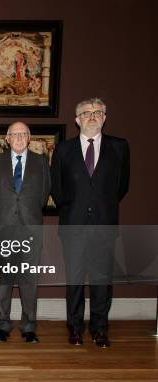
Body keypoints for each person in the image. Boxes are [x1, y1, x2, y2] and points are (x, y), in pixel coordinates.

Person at [51, 98, 129, 348]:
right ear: (77, 120)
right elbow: (58, 188)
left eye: (97, 112)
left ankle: (100, 329)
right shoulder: (63, 149)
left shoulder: (119, 147)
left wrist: (99, 208)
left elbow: (121, 187)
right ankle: (75, 328)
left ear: (104, 118)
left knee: (101, 281)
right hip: (73, 226)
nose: (92, 116)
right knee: (74, 280)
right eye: (86, 113)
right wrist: (76, 209)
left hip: (104, 226)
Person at [0, 122, 50, 344]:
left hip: (31, 228)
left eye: (24, 134)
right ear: (7, 138)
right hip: (4, 228)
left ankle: (29, 326)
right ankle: (3, 324)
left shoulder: (41, 162)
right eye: (15, 134)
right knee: (5, 279)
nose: (19, 137)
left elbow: (43, 195)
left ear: (29, 137)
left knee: (29, 280)